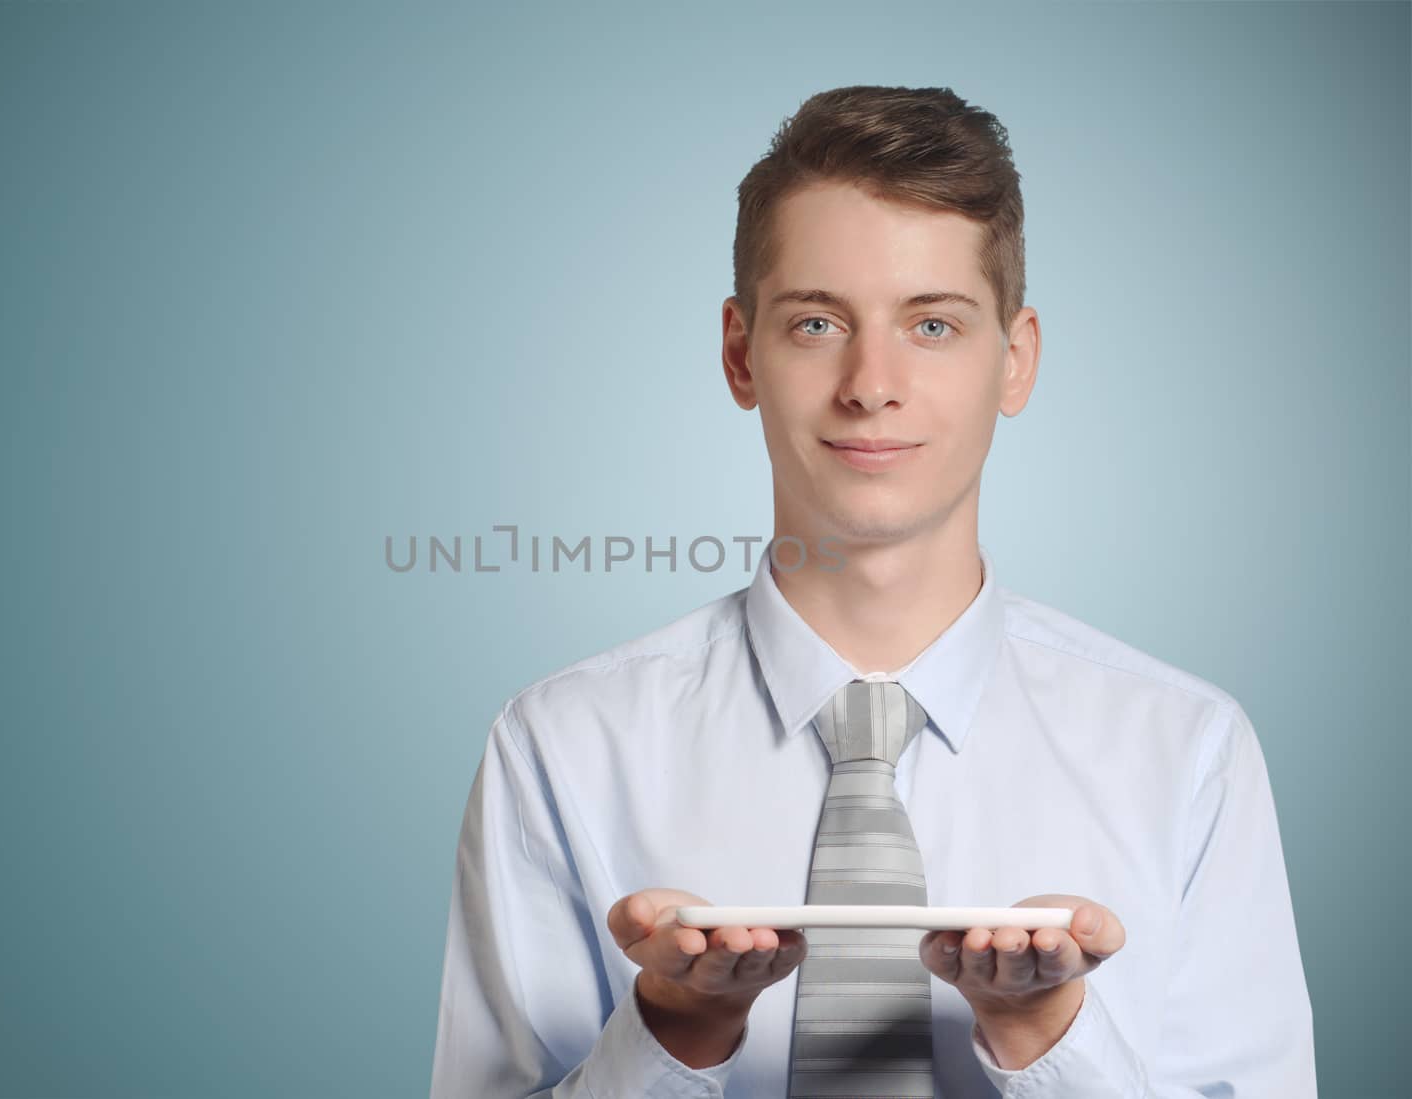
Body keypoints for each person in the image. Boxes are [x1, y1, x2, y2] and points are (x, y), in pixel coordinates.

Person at [428, 84, 1315, 1098]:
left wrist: (1044, 1036)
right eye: (815, 323)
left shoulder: (1187, 752)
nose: (870, 382)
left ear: (1013, 360)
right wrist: (677, 1029)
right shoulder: (560, 747)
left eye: (932, 326)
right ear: (738, 352)